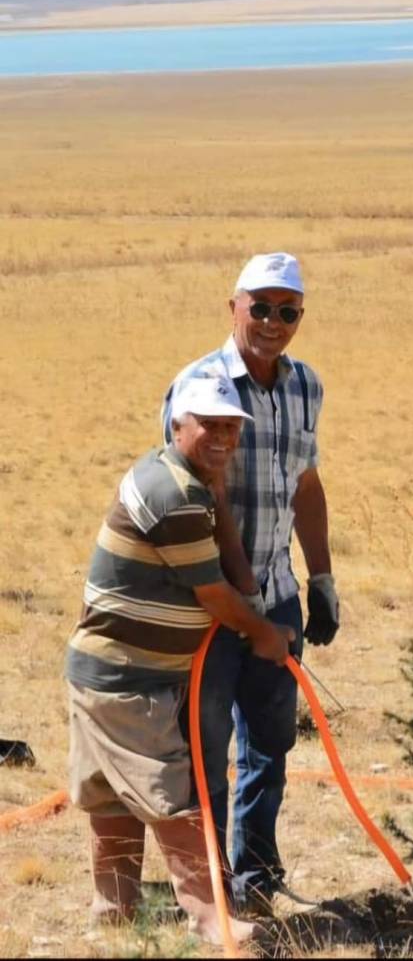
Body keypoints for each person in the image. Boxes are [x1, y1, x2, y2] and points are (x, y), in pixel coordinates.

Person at [65, 376, 295, 944]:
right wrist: (265, 634)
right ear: (177, 424)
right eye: (208, 425)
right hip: (125, 677)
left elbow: (238, 578)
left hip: (113, 673)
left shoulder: (191, 485)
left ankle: (113, 914)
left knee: (113, 796)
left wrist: (219, 496)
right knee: (173, 796)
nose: (221, 437)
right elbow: (218, 595)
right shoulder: (171, 493)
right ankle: (210, 919)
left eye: (230, 427)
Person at [161, 251, 339, 914]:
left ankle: (255, 874)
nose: (271, 321)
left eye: (286, 310)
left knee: (270, 743)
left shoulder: (306, 387)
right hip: (209, 607)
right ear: (232, 306)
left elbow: (306, 484)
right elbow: (180, 495)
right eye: (258, 307)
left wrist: (320, 579)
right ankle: (203, 889)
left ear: (300, 316)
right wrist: (238, 604)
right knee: (203, 750)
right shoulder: (199, 385)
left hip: (278, 594)